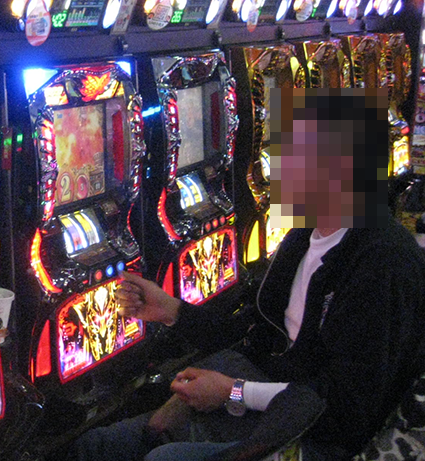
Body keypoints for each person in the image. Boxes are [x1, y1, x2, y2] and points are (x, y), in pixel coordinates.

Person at [72, 88, 425, 461]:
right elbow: (254, 333)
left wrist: (234, 392)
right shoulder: (305, 234)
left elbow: (345, 411)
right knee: (98, 445)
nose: (274, 167)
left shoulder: (383, 262)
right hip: (277, 393)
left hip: (320, 435)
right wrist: (170, 309)